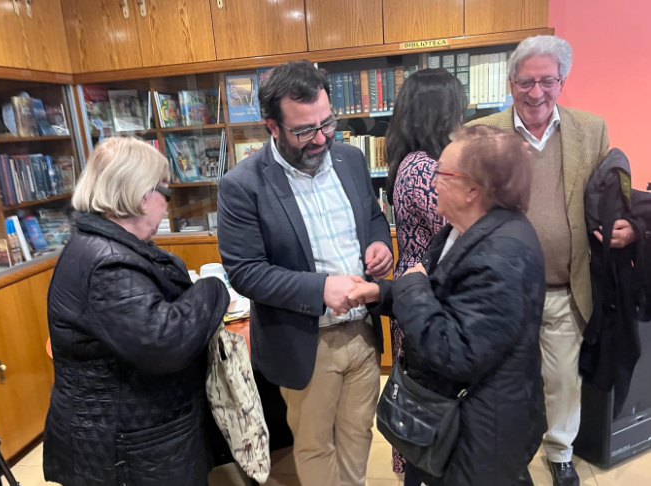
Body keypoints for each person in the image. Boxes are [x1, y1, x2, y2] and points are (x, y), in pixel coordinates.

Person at [469, 35, 637, 486]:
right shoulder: (485, 134)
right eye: (526, 82)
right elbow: (466, 207)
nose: (536, 93)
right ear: (510, 82)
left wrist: (627, 226)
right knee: (506, 381)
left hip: (566, 284)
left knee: (563, 380)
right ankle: (509, 453)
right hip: (504, 291)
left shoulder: (591, 129)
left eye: (547, 81)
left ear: (562, 81)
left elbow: (611, 194)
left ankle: (560, 452)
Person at [217, 60, 393, 486]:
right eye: (303, 130)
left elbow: (371, 216)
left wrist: (380, 245)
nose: (320, 138)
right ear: (271, 126)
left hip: (362, 333)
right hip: (305, 341)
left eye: (326, 123)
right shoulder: (242, 185)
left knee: (357, 434)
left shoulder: (349, 159)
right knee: (315, 445)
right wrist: (321, 289)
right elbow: (245, 272)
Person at [349, 125, 546, 486]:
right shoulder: (462, 229)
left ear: (473, 189)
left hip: (480, 432)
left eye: (442, 173)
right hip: (452, 416)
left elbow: (454, 351)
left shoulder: (502, 253)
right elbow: (444, 302)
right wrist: (382, 294)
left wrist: (410, 282)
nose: (432, 181)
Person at [43, 137, 230, 486]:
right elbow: (165, 343)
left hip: (134, 432)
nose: (167, 206)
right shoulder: (108, 263)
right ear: (143, 195)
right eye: (167, 193)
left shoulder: (106, 246)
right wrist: (213, 287)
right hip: (128, 446)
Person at [383, 68, 465, 477]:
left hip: (424, 293)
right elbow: (459, 226)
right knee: (422, 402)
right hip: (422, 296)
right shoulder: (420, 168)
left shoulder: (423, 162)